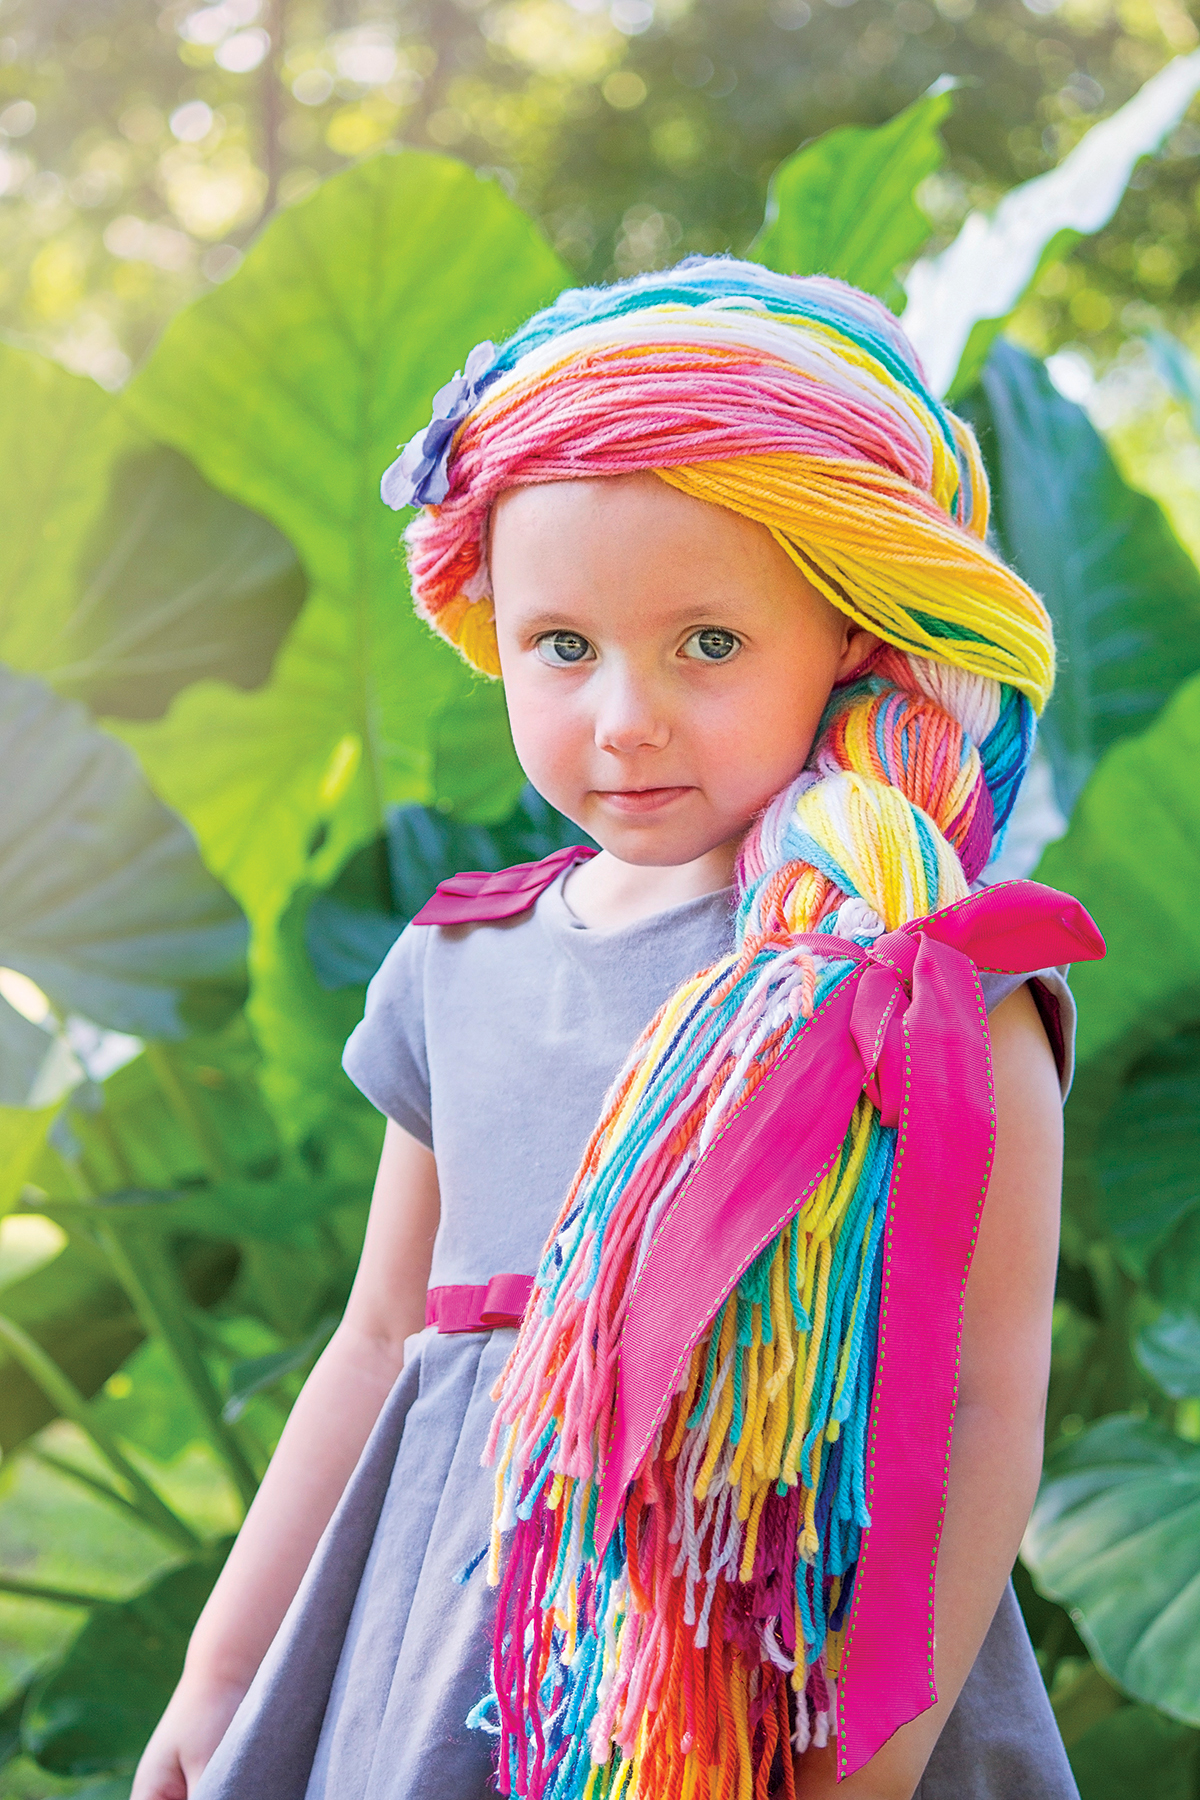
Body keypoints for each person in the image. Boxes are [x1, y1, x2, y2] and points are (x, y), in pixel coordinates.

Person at [133, 260, 1100, 1800]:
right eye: (562, 647)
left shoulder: (932, 990)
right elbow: (381, 1337)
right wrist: (226, 1668)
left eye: (706, 645)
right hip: (446, 1659)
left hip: (796, 1679)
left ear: (851, 633)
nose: (623, 716)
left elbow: (984, 1396)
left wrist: (875, 1755)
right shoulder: (462, 960)